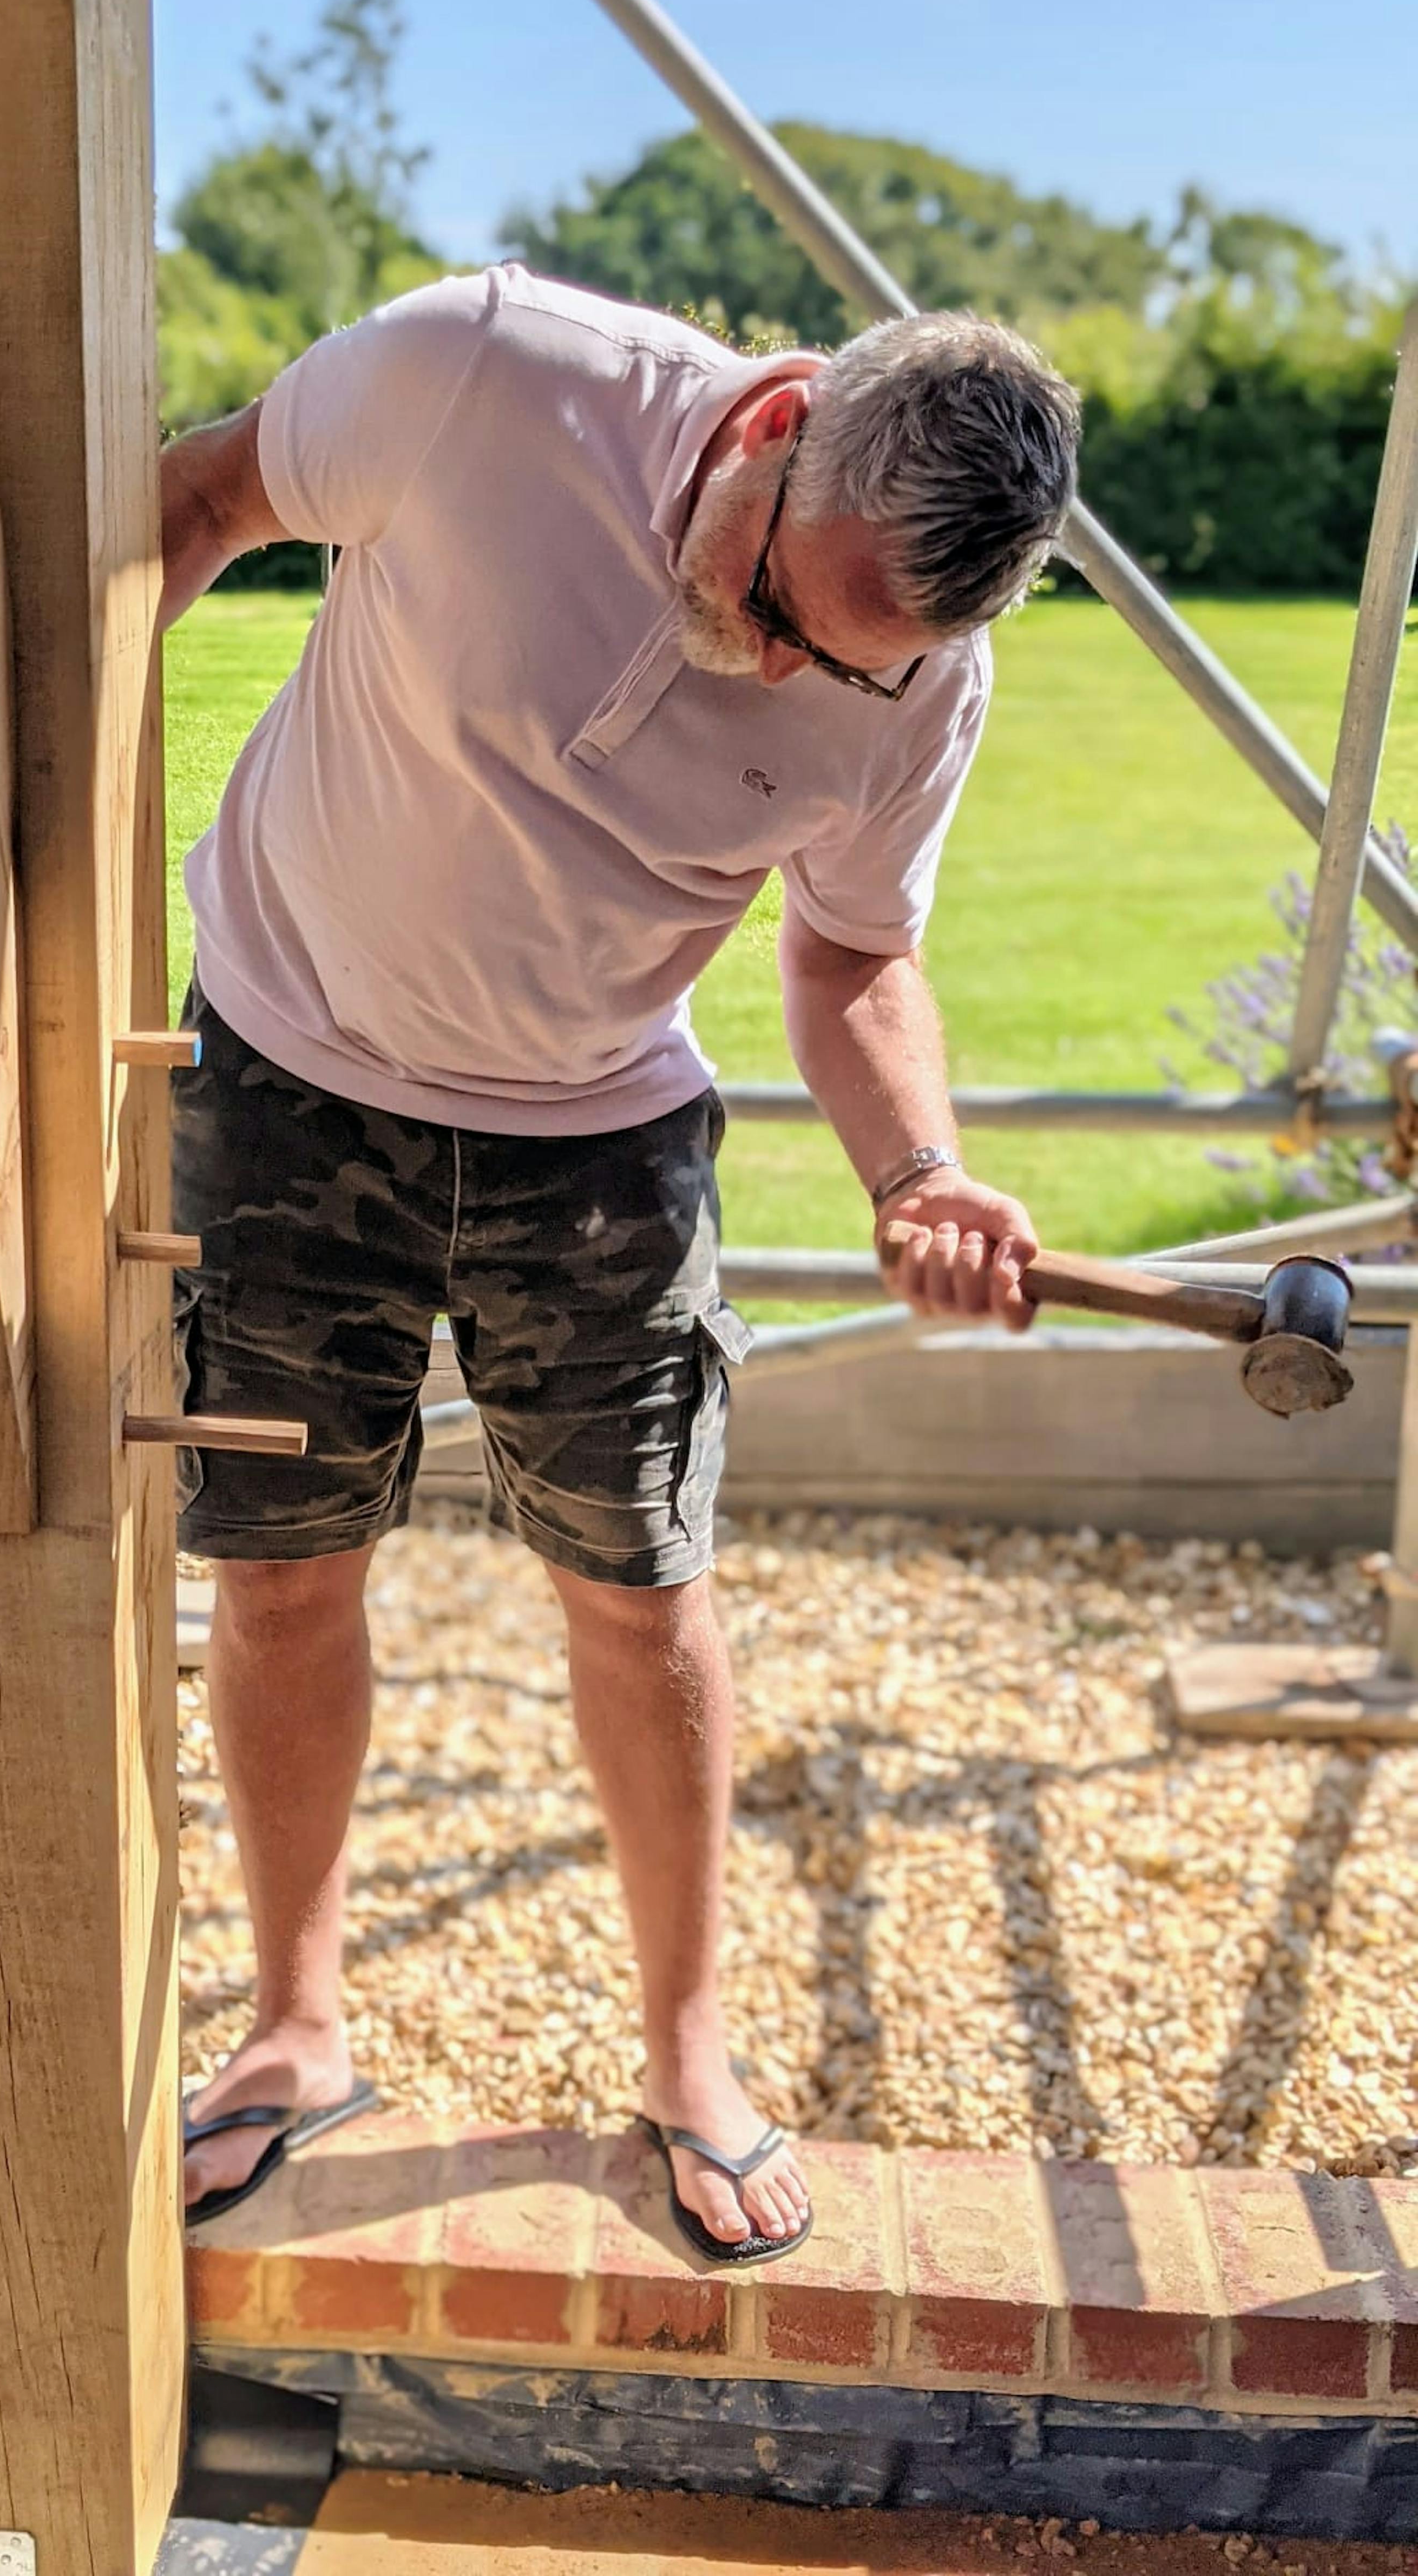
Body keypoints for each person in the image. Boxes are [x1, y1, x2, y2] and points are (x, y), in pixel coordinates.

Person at [157, 265, 1079, 2263]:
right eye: (778, 605)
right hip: (297, 1068)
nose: (776, 672)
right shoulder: (477, 372)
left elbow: (845, 955)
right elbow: (207, 498)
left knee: (644, 1594)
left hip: (601, 1128)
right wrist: (42, 787)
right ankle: (295, 2027)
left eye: (838, 668)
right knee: (284, 1569)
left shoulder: (917, 680)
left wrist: (920, 1167)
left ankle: (687, 2056)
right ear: (770, 427)